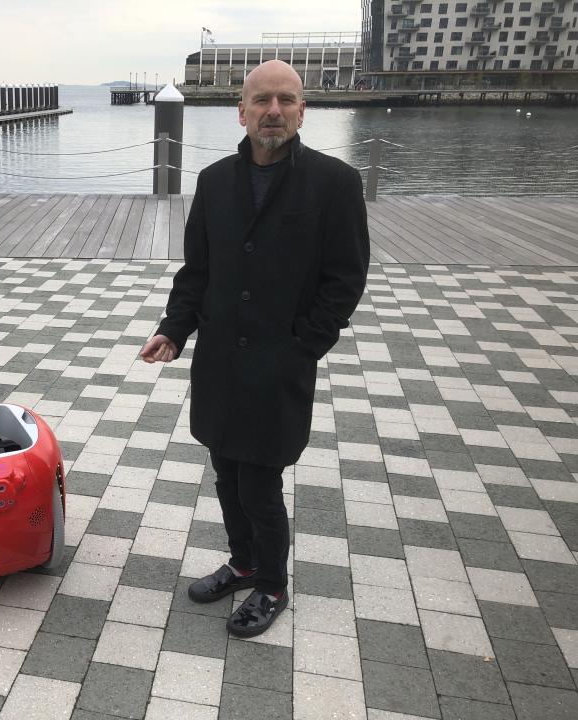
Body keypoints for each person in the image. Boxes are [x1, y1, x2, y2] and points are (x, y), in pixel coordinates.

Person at [139, 60, 369, 638]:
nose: (274, 111)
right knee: (223, 470)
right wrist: (174, 328)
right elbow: (199, 271)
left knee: (260, 484)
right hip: (220, 360)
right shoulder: (215, 181)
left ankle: (271, 584)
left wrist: (305, 345)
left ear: (301, 110)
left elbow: (346, 278)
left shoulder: (335, 183)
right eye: (262, 100)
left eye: (286, 100)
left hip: (280, 362)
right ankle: (242, 562)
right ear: (241, 112)